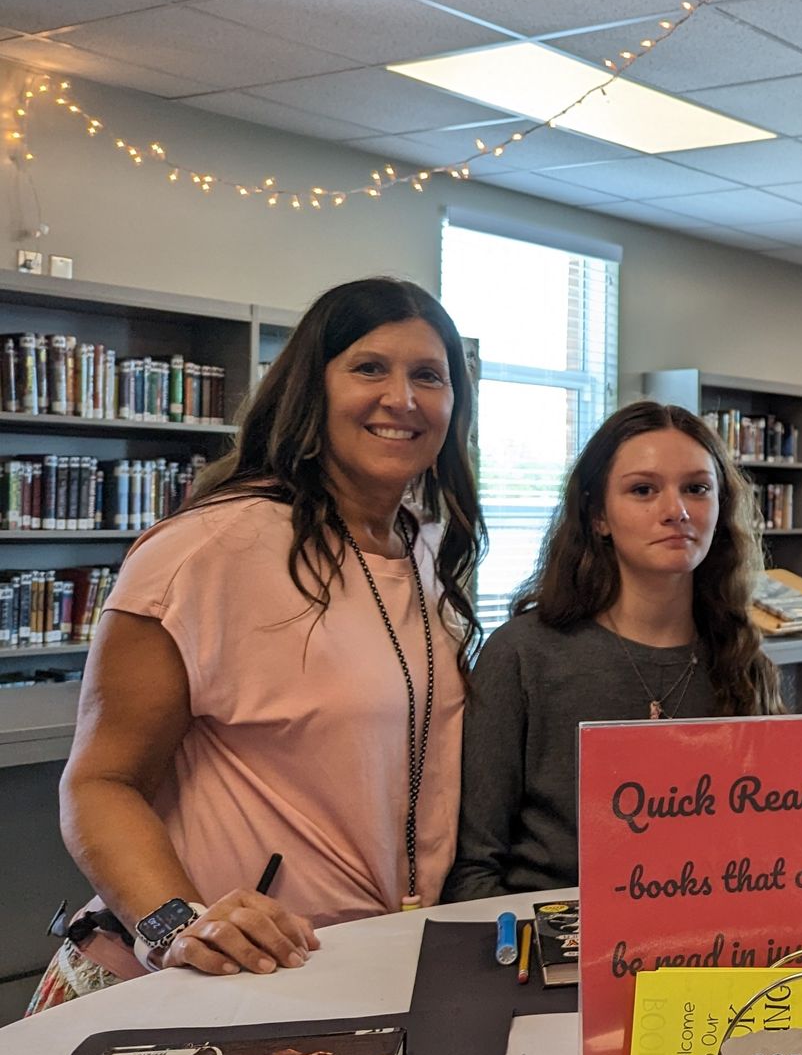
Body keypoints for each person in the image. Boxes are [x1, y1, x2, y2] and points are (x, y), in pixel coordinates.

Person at [47, 277, 483, 1003]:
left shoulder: (424, 548)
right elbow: (99, 783)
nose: (402, 398)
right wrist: (176, 924)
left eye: (428, 376)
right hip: (190, 987)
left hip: (351, 976)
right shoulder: (210, 548)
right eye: (369, 367)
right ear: (311, 389)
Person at [448, 400, 782, 898]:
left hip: (708, 952)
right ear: (599, 515)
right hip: (552, 950)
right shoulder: (522, 655)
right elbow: (474, 869)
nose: (677, 511)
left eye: (697, 488)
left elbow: (772, 850)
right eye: (643, 490)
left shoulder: (743, 660)